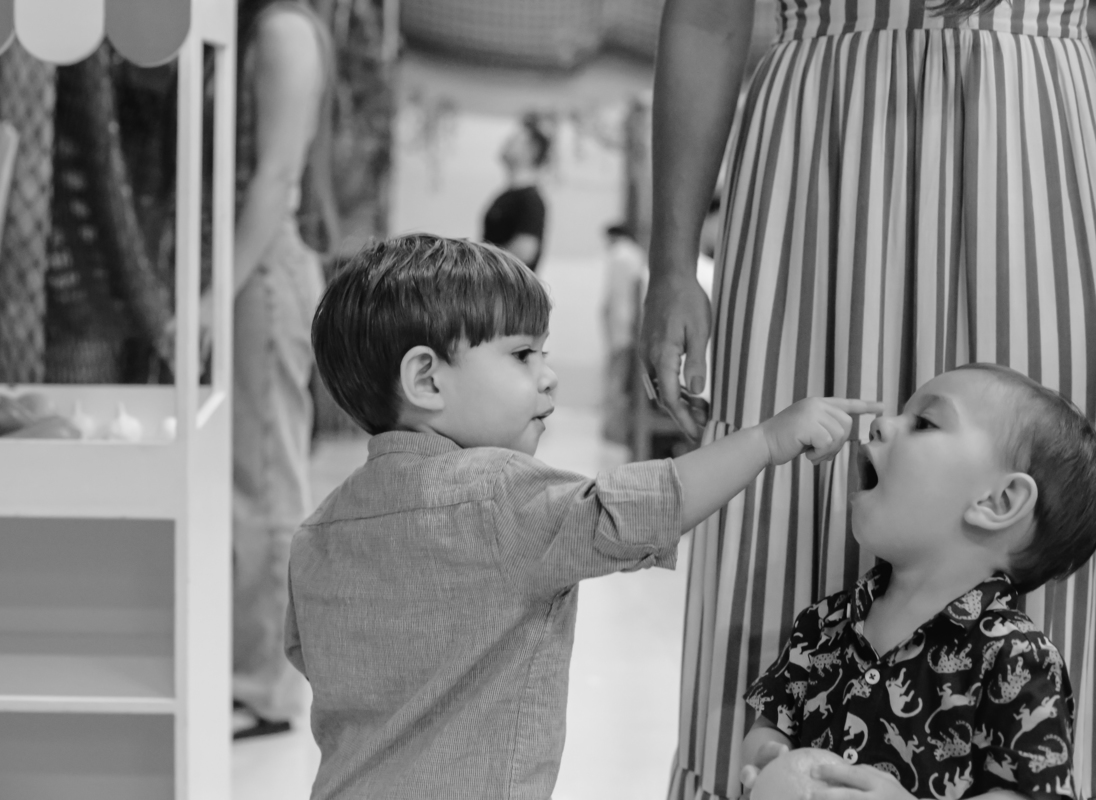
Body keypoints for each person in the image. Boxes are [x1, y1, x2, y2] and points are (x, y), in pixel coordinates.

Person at [641, 2, 1096, 797]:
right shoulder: (818, 634)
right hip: (817, 138)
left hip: (1037, 136)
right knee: (780, 501)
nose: (878, 426)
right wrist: (673, 261)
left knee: (1034, 446)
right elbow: (709, 17)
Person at [286, 233, 880, 799]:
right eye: (522, 355)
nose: (548, 376)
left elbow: (308, 656)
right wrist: (765, 442)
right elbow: (635, 508)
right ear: (425, 378)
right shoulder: (496, 494)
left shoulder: (318, 531)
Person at [740, 364, 1096, 800]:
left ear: (999, 502)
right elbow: (771, 723)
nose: (881, 424)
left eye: (924, 423)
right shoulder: (823, 624)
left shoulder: (1018, 659)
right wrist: (769, 761)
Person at [226, 0, 339, 740]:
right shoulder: (276, 28)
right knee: (257, 476)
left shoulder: (284, 30)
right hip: (258, 270)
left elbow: (274, 176)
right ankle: (256, 675)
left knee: (264, 480)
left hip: (263, 271)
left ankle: (264, 686)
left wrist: (216, 295)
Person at [481, 114, 550, 272]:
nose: (506, 143)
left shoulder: (530, 199)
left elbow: (525, 250)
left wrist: (479, 265)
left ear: (532, 150)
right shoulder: (506, 195)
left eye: (514, 140)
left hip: (506, 286)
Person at [601, 223, 650, 444]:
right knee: (623, 382)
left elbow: (615, 297)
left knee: (618, 381)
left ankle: (615, 431)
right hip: (630, 327)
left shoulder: (620, 256)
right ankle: (618, 431)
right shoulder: (635, 255)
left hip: (623, 328)